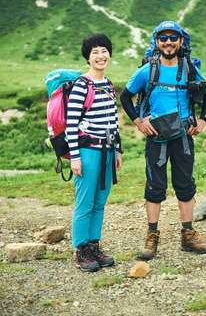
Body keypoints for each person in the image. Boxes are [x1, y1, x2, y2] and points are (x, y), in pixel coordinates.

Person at [120, 20, 206, 260]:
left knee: (184, 184)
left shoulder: (189, 67)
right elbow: (125, 96)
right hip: (157, 136)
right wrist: (138, 122)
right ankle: (152, 236)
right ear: (157, 42)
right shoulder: (148, 70)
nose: (169, 42)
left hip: (183, 135)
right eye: (163, 38)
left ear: (181, 41)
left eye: (173, 37)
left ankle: (188, 235)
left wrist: (203, 120)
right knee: (155, 186)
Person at [66, 33, 122, 272]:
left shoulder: (108, 84)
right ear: (88, 58)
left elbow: (114, 120)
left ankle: (94, 245)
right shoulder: (81, 85)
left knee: (100, 202)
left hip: (108, 151)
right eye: (95, 52)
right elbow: (71, 124)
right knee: (85, 202)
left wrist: (118, 150)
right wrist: (75, 157)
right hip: (88, 151)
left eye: (104, 51)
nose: (101, 56)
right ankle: (81, 250)